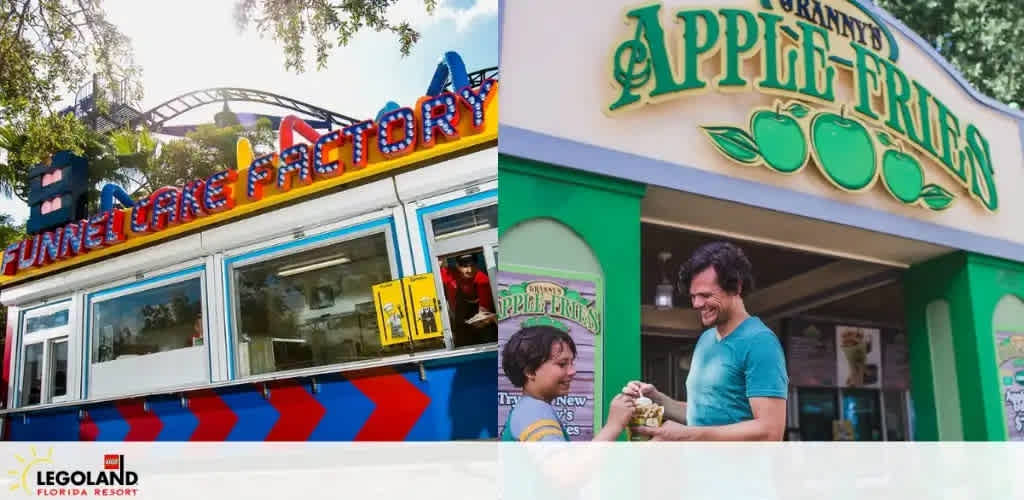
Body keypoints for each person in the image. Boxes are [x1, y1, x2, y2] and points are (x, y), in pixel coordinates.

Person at [624, 241, 788, 441]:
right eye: (693, 296)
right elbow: (702, 416)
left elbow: (771, 431)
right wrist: (658, 401)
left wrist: (690, 436)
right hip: (700, 469)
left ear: (736, 287)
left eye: (705, 295)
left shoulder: (760, 343)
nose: (697, 304)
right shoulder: (706, 339)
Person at [501, 323, 633, 441]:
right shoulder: (533, 410)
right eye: (562, 364)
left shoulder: (528, 408)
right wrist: (613, 426)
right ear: (530, 372)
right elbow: (565, 467)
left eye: (572, 363)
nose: (572, 371)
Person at [444, 253, 497, 345]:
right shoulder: (451, 274)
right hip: (461, 318)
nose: (469, 270)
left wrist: (482, 320)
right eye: (465, 266)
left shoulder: (482, 279)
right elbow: (437, 270)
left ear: (477, 265)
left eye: (472, 266)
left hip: (482, 320)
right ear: (458, 266)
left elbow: (484, 310)